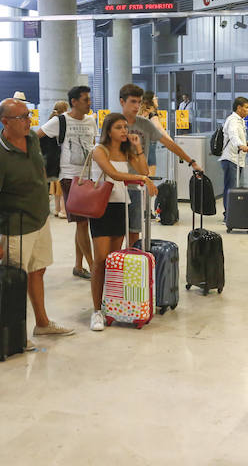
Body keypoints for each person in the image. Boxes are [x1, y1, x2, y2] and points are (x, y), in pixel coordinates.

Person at [0, 98, 75, 342]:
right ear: (4, 122)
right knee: (15, 282)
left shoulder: (32, 138)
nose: (28, 121)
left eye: (28, 115)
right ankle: (12, 335)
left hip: (39, 220)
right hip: (16, 227)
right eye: (21, 117)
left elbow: (39, 170)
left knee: (38, 270)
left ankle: (42, 324)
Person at [87, 113, 157, 331]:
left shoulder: (126, 151)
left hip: (120, 207)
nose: (124, 131)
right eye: (119, 127)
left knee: (112, 261)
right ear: (108, 131)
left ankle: (110, 304)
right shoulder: (100, 150)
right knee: (100, 261)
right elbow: (113, 174)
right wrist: (143, 179)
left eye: (126, 127)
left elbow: (144, 170)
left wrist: (138, 148)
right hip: (101, 208)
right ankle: (96, 310)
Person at [120, 84, 202, 247]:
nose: (136, 106)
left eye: (139, 102)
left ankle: (132, 268)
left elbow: (168, 143)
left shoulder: (145, 124)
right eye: (133, 102)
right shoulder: (115, 123)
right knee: (114, 236)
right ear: (122, 102)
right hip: (117, 185)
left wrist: (191, 161)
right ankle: (112, 270)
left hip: (136, 186)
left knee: (134, 232)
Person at [37, 86, 97, 280]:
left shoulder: (91, 121)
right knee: (82, 223)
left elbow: (93, 145)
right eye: (85, 99)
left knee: (82, 224)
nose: (89, 102)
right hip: (70, 177)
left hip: (89, 175)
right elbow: (36, 137)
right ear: (74, 102)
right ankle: (93, 265)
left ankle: (79, 266)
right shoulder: (60, 121)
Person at [218, 96, 248, 220]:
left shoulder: (240, 120)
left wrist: (246, 142)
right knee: (230, 188)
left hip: (236, 158)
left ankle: (232, 212)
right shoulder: (233, 120)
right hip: (230, 158)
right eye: (246, 107)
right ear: (239, 108)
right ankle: (228, 215)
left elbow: (237, 136)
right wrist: (241, 145)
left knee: (233, 187)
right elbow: (233, 136)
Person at [47, 100, 69, 218]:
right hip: (61, 156)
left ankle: (56, 209)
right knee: (62, 186)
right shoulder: (62, 122)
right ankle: (63, 211)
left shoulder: (51, 120)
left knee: (55, 184)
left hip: (52, 157)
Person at [138, 90, 167, 178]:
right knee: (150, 174)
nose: (157, 99)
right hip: (149, 145)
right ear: (149, 100)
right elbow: (159, 128)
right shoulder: (152, 113)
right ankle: (148, 191)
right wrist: (170, 140)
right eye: (155, 97)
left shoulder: (139, 113)